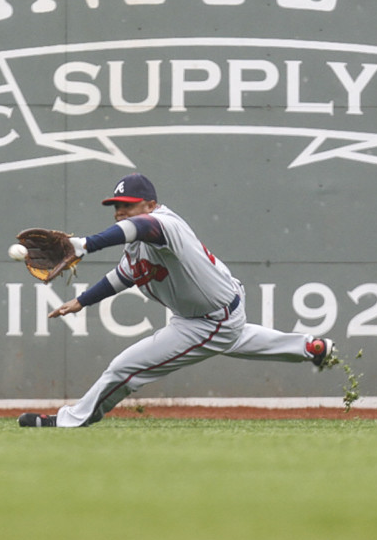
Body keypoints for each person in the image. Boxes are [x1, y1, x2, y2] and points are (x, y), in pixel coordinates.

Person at [18, 173, 335, 427]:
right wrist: (83, 301)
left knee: (125, 368)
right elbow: (125, 275)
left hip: (209, 318)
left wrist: (86, 243)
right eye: (117, 205)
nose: (120, 212)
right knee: (234, 338)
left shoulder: (164, 224)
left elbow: (140, 226)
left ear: (151, 205)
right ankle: (309, 348)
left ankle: (71, 420)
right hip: (216, 310)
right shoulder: (138, 243)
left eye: (128, 205)